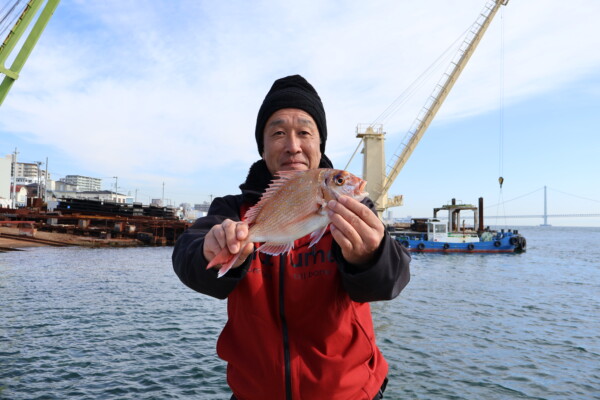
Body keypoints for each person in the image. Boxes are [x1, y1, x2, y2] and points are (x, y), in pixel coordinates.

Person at [172, 74, 411, 400]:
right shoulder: (233, 210)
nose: (293, 145)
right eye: (279, 133)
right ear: (263, 145)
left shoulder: (354, 208)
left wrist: (371, 256)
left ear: (319, 144)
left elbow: (391, 281)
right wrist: (208, 250)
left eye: (304, 132)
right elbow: (188, 257)